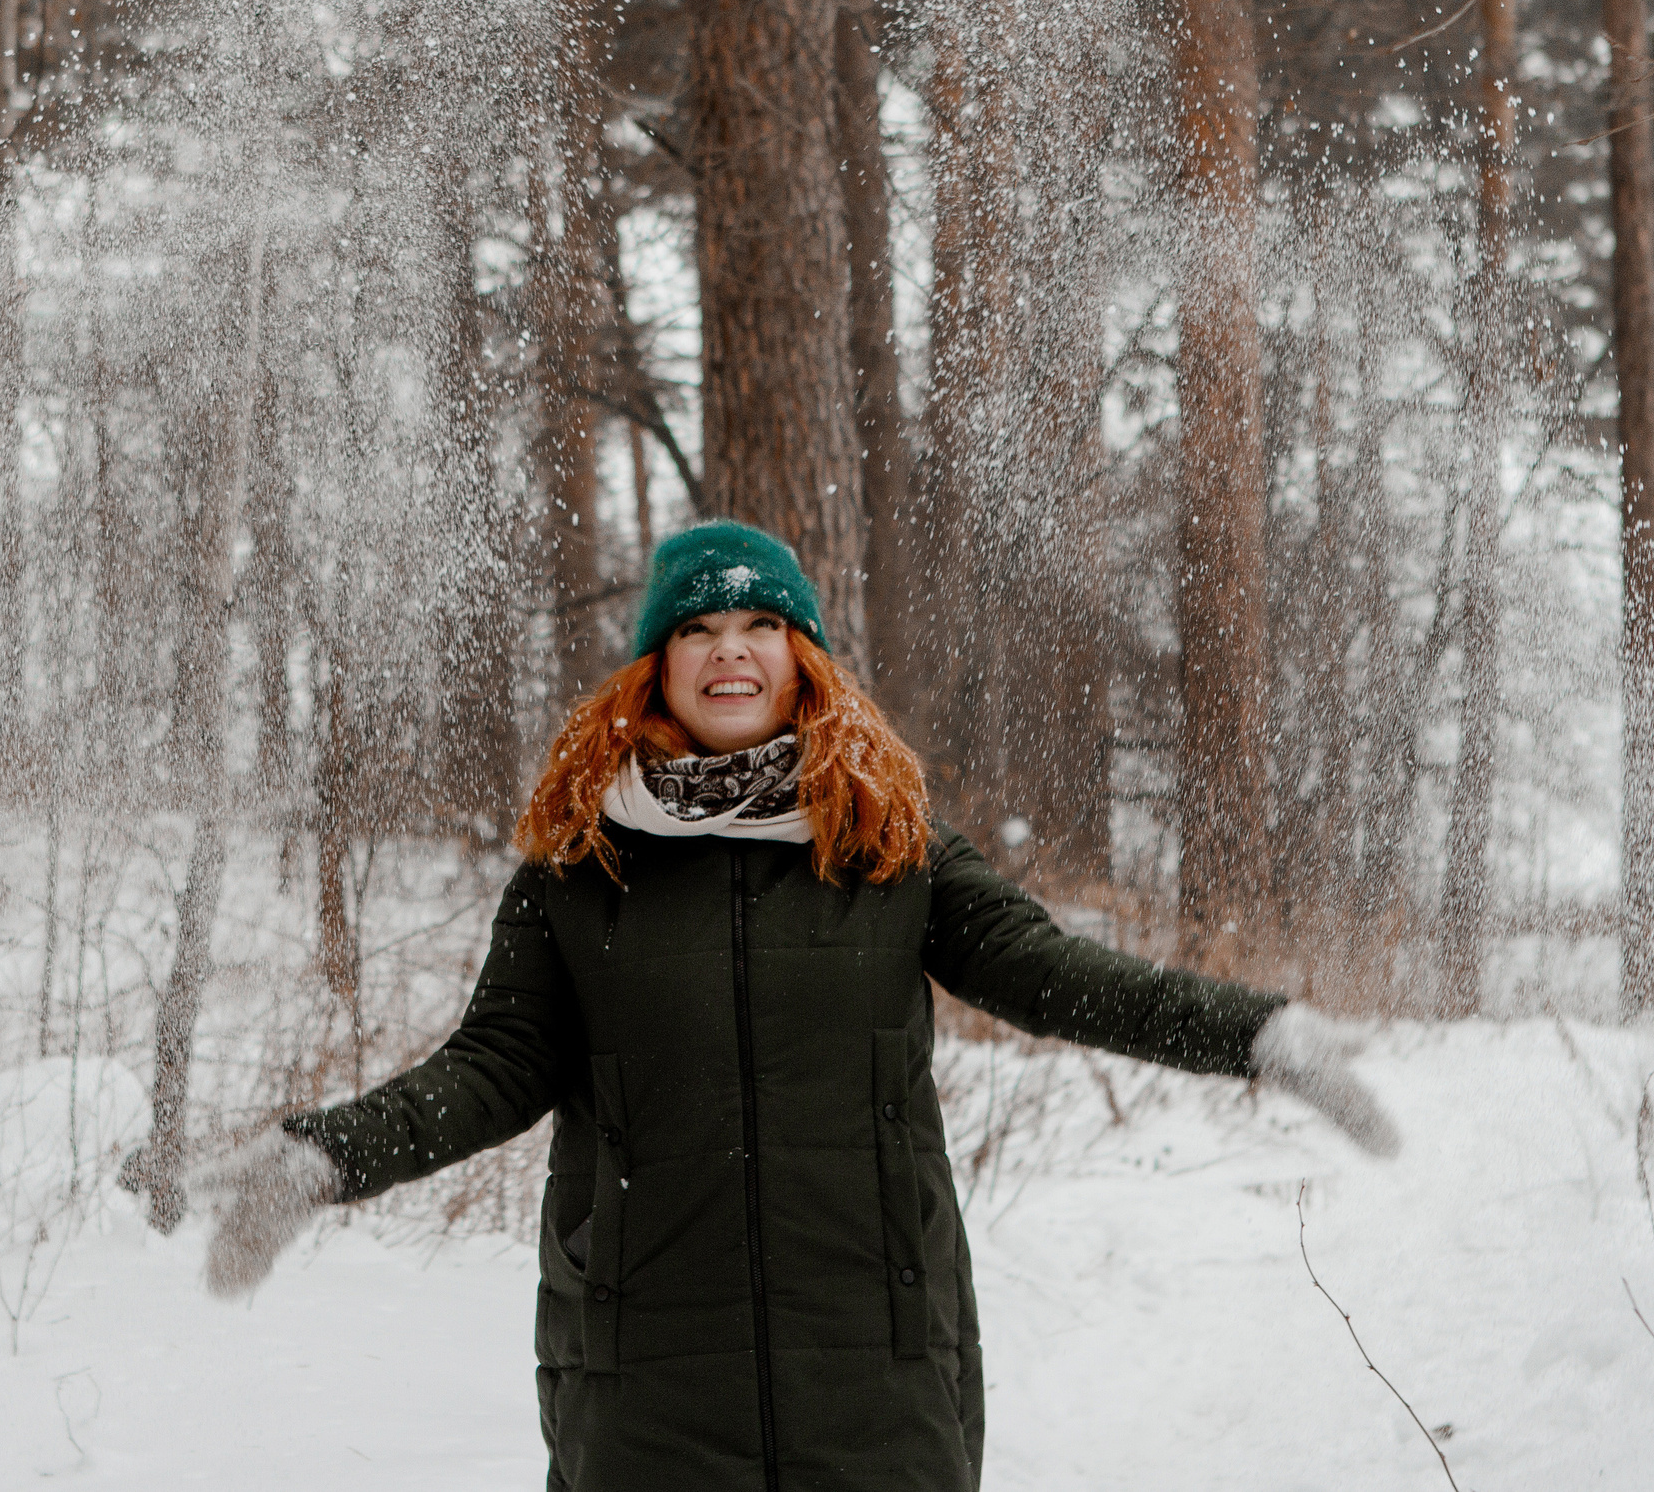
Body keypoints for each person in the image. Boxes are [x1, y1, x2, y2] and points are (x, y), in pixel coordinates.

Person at [199, 521, 1397, 1491]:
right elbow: (492, 1065)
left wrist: (1254, 1033)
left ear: (803, 653)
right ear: (656, 664)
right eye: (701, 627)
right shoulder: (577, 868)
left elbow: (1050, 972)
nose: (733, 651)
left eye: (762, 624)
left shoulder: (890, 847)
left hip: (871, 1371)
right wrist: (326, 1156)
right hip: (645, 1376)